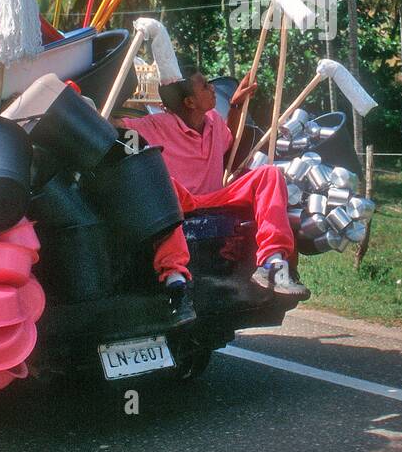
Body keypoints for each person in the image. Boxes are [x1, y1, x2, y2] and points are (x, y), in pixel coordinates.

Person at [118, 70, 309, 298]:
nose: (213, 89)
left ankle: (272, 263)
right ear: (189, 102)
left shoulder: (213, 122)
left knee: (269, 173)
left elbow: (232, 140)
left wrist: (236, 105)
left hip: (215, 197)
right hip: (179, 199)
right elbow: (113, 124)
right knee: (162, 183)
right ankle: (174, 274)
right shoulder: (155, 124)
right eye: (206, 86)